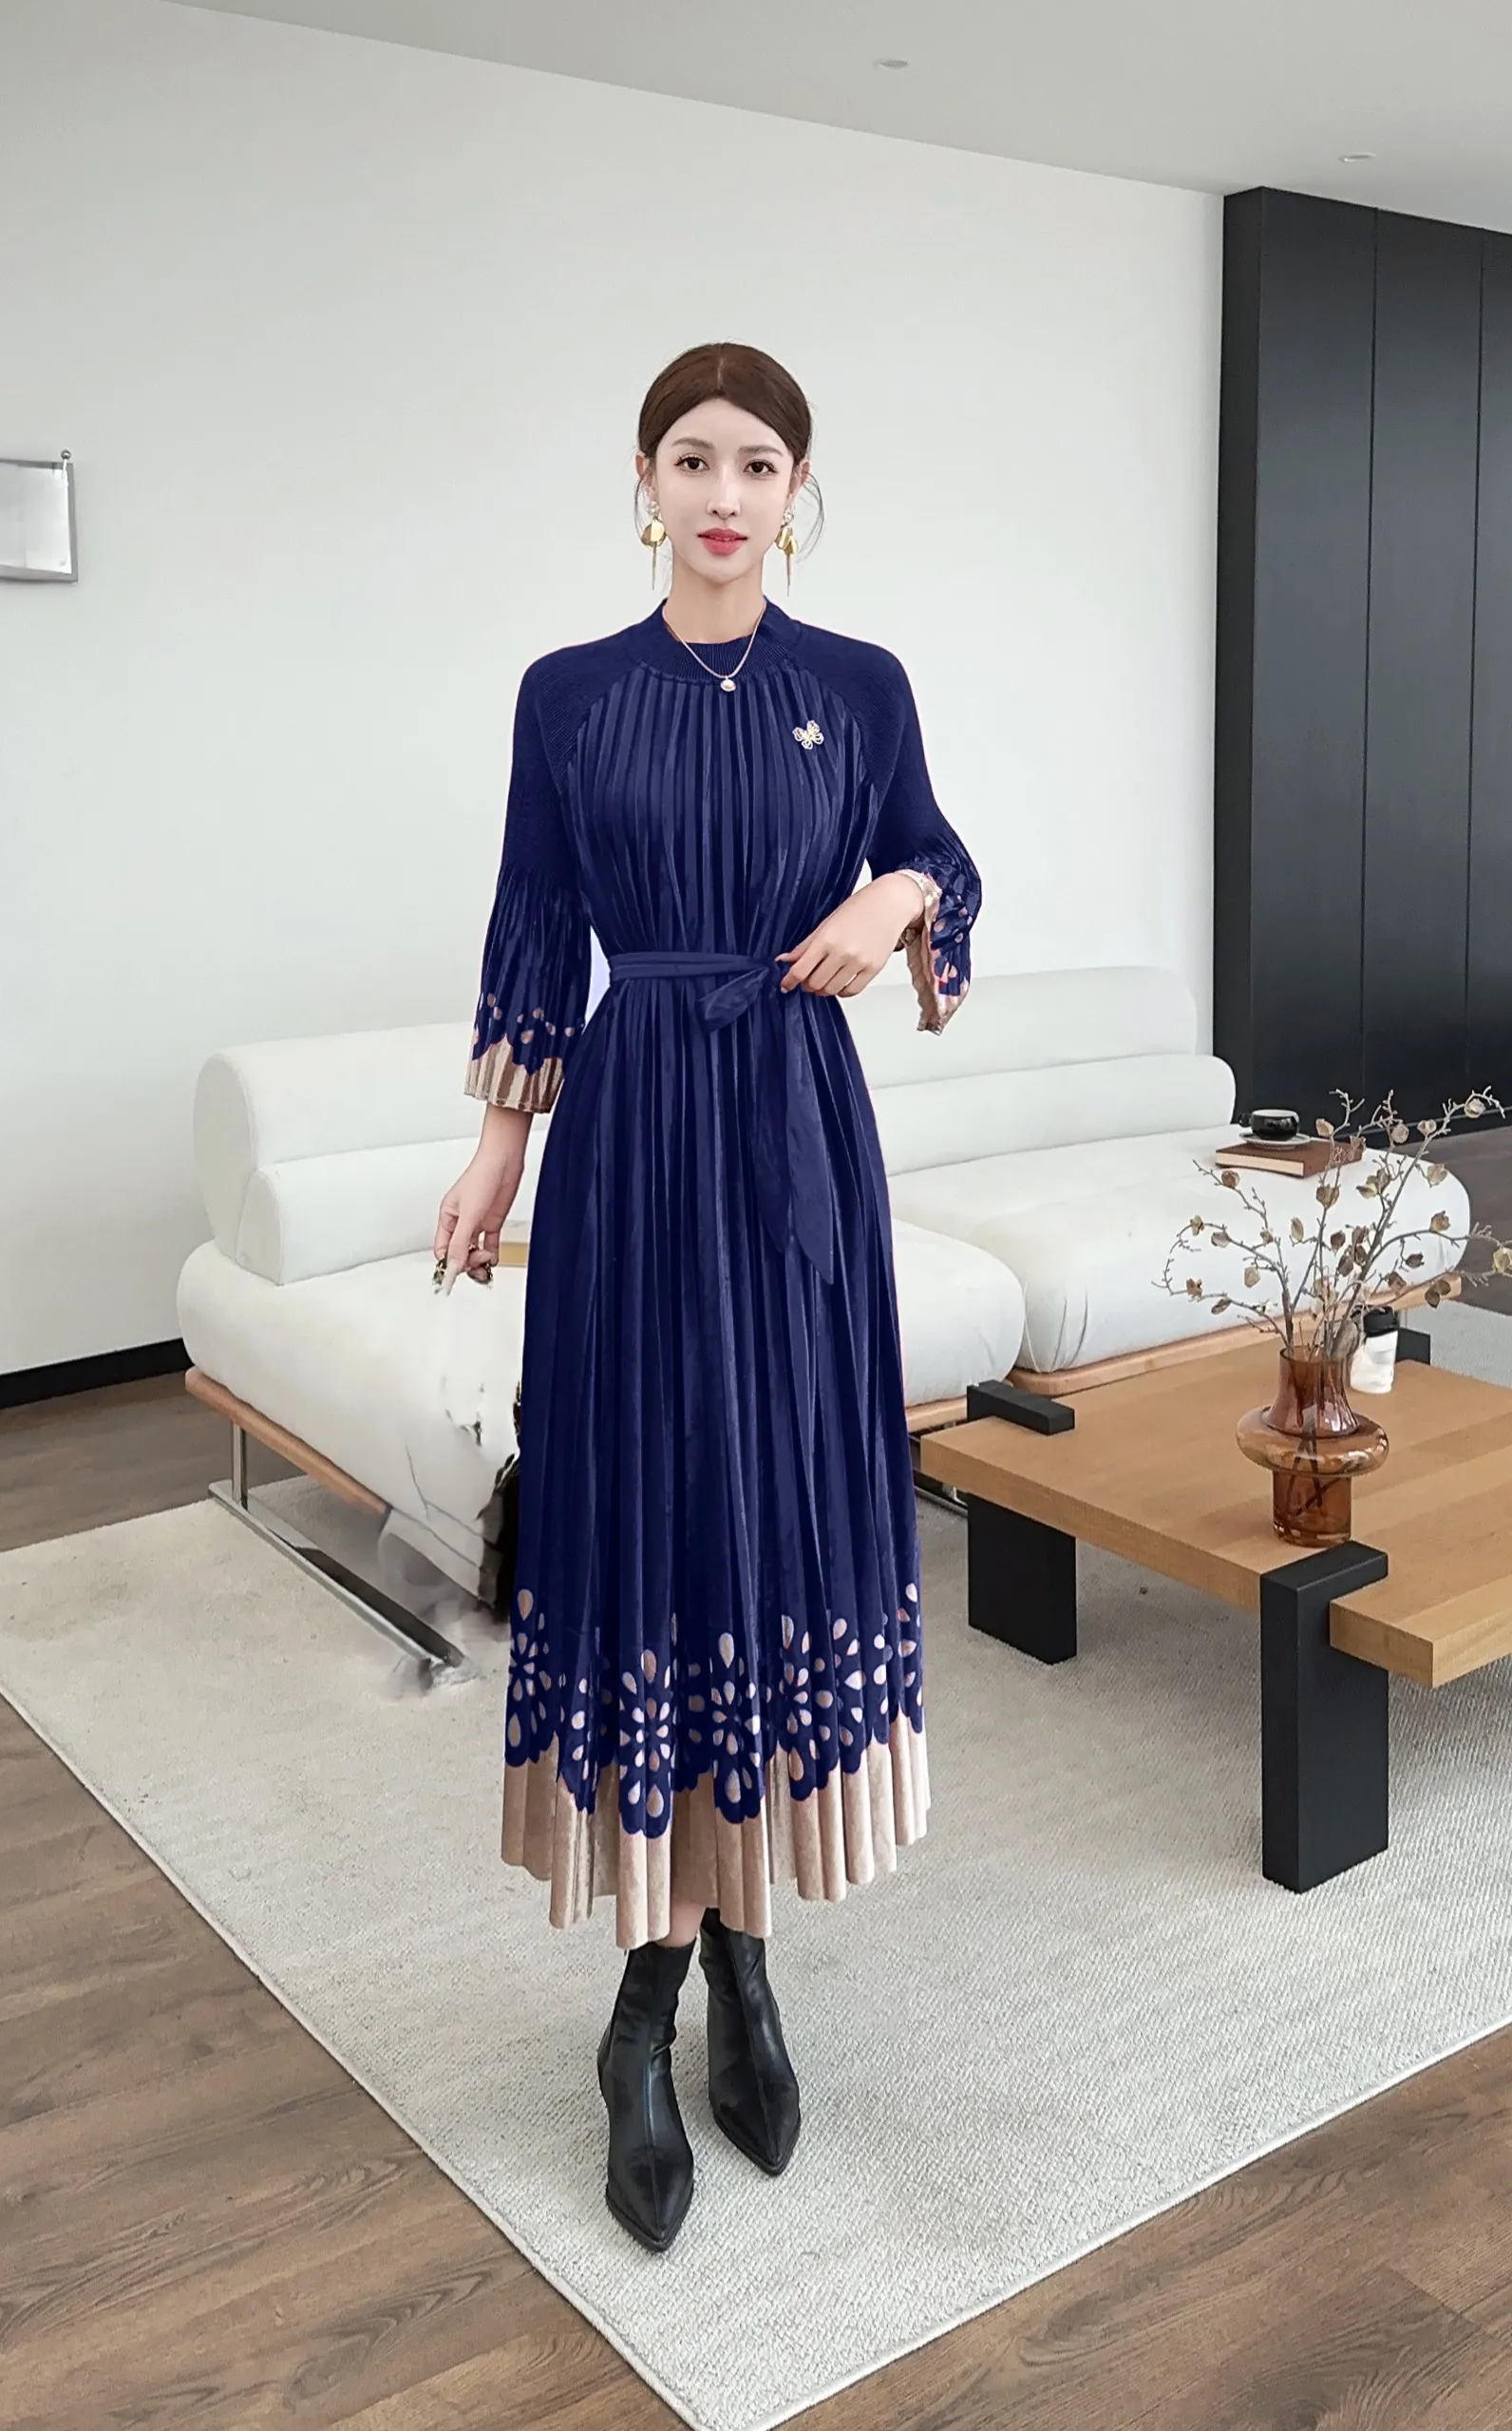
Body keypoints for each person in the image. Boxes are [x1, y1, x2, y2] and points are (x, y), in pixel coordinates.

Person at [434, 342, 982, 2252]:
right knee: (658, 1513)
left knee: (775, 1511)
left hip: (799, 1129)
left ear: (799, 489)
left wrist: (896, 902)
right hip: (636, 1128)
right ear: (647, 482)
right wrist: (498, 1147)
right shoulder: (570, 694)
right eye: (693, 457)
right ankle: (652, 2003)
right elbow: (532, 918)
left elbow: (938, 853)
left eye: (758, 461)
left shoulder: (859, 686)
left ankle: (730, 1959)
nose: (725, 491)